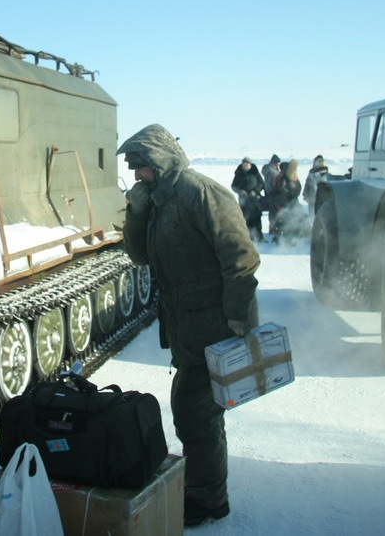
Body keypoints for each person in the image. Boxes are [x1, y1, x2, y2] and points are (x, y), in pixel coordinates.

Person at [117, 124, 260, 527]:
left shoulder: (201, 192)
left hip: (214, 325)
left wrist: (238, 318)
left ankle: (209, 499)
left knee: (196, 414)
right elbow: (140, 255)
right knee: (195, 412)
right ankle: (206, 491)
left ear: (159, 160)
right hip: (187, 326)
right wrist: (138, 209)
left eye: (142, 167)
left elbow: (241, 258)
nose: (138, 176)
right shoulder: (160, 200)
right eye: (135, 169)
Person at [230, 157, 266, 242]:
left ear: (250, 164)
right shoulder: (239, 173)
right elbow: (234, 186)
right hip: (244, 201)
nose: (245, 164)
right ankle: (249, 238)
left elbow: (261, 183)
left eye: (247, 163)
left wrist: (255, 191)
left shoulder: (255, 172)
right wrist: (240, 191)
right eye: (244, 163)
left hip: (255, 200)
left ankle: (260, 237)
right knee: (246, 219)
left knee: (257, 218)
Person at [271, 159, 304, 243]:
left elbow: (298, 187)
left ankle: (281, 238)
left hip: (290, 201)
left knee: (287, 220)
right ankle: (279, 238)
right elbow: (281, 188)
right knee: (283, 220)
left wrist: (294, 194)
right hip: (283, 202)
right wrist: (291, 194)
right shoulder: (283, 176)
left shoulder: (292, 176)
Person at [261, 155, 283, 237]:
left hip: (269, 194)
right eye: (278, 163)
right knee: (274, 213)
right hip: (272, 195)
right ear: (275, 163)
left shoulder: (269, 170)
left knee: (273, 212)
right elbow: (271, 184)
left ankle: (273, 228)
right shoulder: (271, 172)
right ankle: (273, 229)